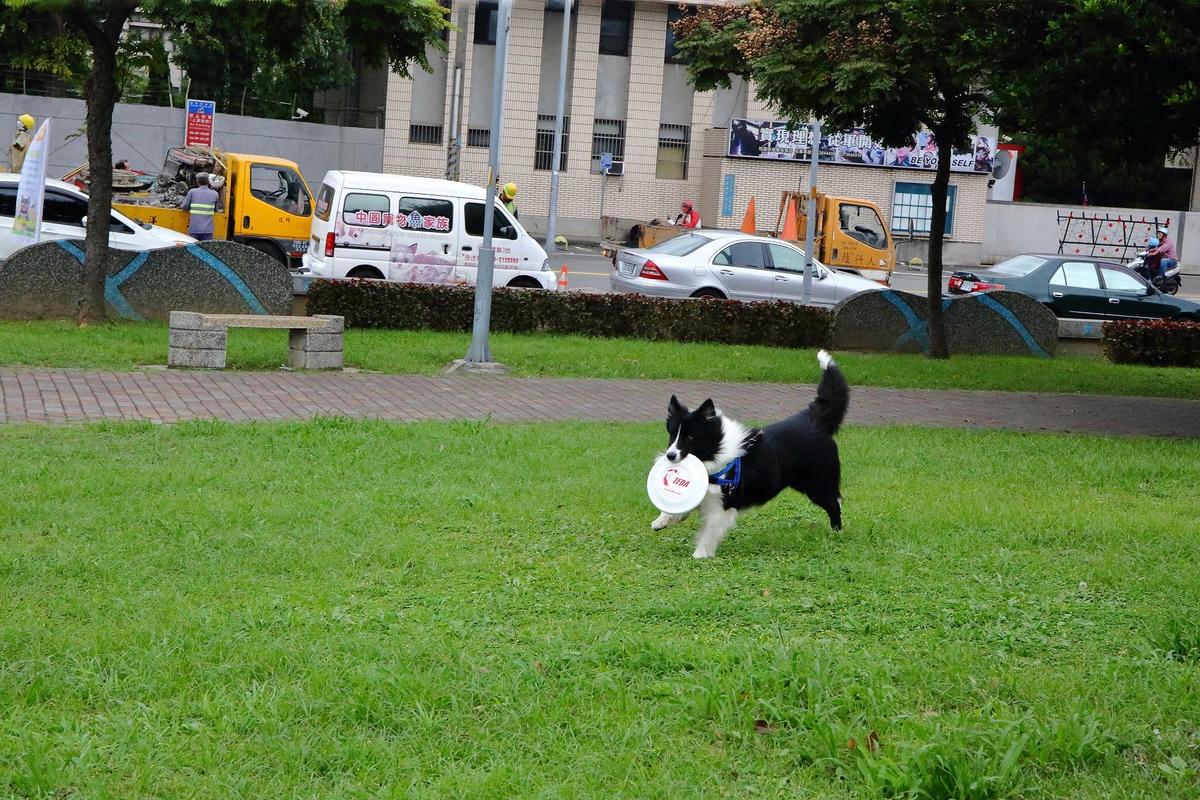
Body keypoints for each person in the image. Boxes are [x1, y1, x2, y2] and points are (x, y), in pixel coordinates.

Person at [181, 172, 222, 241]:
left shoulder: (192, 192)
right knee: (205, 250)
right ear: (208, 183)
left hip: (194, 229)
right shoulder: (215, 194)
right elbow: (217, 210)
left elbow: (185, 207)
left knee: (192, 250)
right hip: (208, 230)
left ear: (197, 182)